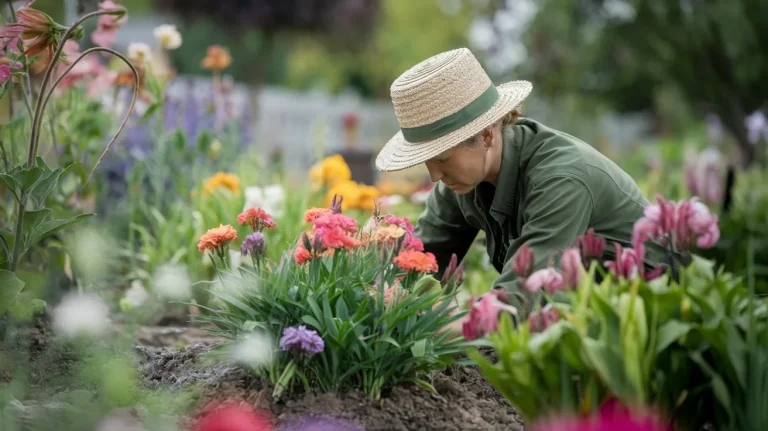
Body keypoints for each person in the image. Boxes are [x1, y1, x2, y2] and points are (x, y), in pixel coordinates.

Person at [374, 47, 668, 314]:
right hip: (587, 318)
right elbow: (416, 263)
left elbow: (519, 303)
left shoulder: (559, 179)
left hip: (653, 314)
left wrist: (425, 326)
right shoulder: (463, 176)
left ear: (487, 134)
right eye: (427, 161)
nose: (434, 175)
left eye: (441, 159)